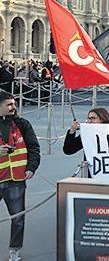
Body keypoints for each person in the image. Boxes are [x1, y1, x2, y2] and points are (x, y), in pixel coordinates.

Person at [0, 90, 41, 261]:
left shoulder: (22, 124)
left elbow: (34, 148)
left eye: (14, 104)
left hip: (15, 180)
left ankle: (14, 251)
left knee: (17, 218)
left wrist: (31, 167)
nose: (13, 107)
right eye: (9, 104)